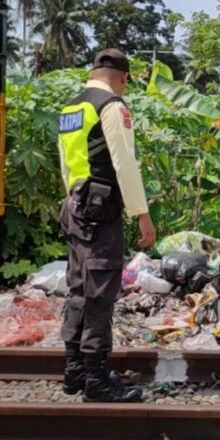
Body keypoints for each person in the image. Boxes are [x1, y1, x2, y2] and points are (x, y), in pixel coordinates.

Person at [57, 48, 156, 402]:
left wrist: (74, 201)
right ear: (123, 77)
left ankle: (74, 370)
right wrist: (141, 213)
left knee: (79, 289)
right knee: (100, 293)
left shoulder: (72, 108)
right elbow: (124, 163)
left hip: (74, 205)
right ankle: (96, 379)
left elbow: (66, 165)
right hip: (101, 209)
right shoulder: (112, 106)